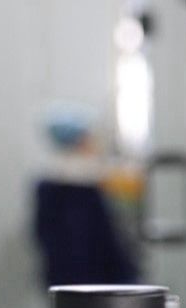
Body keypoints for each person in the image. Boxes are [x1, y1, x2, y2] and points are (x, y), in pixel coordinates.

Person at [32, 102, 139, 288]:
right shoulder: (81, 188)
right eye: (88, 138)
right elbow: (97, 243)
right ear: (78, 142)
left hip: (69, 282)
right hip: (89, 281)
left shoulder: (49, 187)